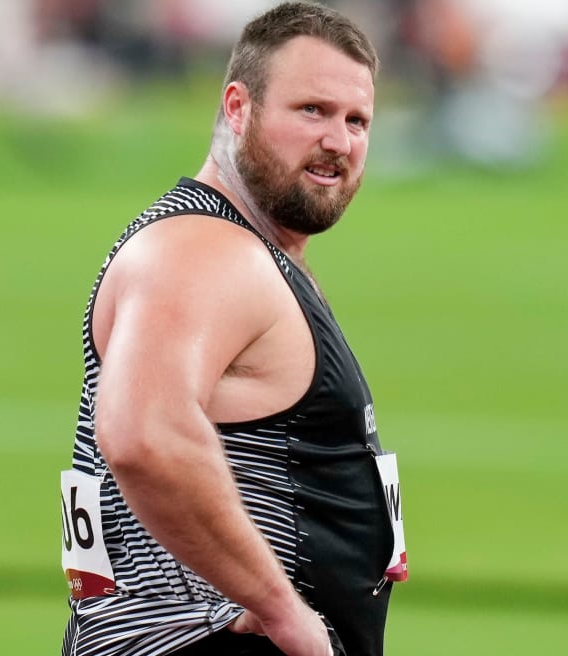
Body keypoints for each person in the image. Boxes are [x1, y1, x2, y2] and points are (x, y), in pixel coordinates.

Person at [58, 3, 407, 655]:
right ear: (237, 109)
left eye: (357, 120)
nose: (339, 140)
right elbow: (142, 435)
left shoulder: (247, 249)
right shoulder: (203, 252)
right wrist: (282, 610)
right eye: (312, 111)